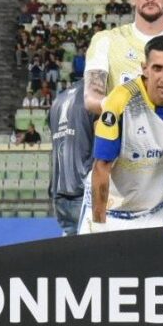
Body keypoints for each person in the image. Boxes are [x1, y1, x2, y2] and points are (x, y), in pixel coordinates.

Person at [80, 36, 163, 234]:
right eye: (157, 68)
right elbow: (101, 168)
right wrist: (99, 223)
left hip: (158, 210)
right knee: (97, 264)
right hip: (112, 211)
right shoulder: (120, 102)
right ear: (144, 68)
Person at [47, 80, 96, 235]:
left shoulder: (57, 100)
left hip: (59, 190)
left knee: (72, 250)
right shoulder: (93, 97)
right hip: (82, 189)